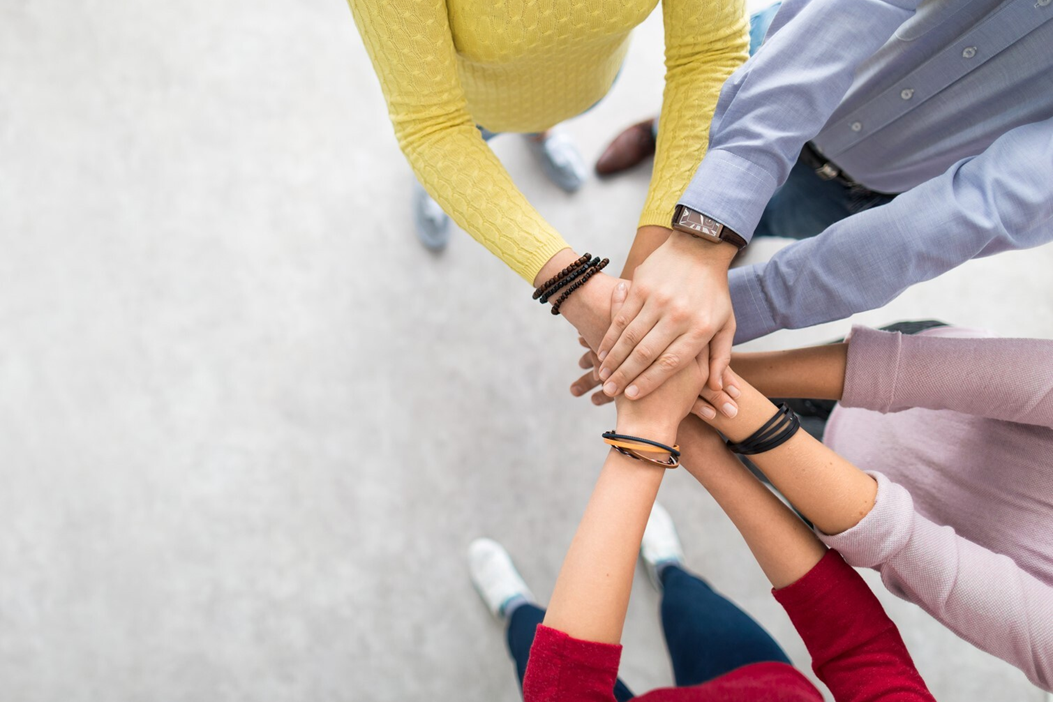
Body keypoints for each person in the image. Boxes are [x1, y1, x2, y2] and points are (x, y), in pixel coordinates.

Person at [468, 283, 936, 700]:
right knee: (687, 596)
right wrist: (704, 451)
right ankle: (668, 567)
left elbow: (560, 690)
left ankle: (514, 605)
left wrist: (648, 432)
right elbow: (859, 650)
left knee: (530, 641)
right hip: (763, 687)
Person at [587, 0, 1053, 407]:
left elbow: (985, 206)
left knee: (771, 219)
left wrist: (737, 301)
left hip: (869, 184)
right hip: (785, 63)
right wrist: (707, 233)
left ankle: (736, 237)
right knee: (696, 116)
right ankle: (657, 132)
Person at [681, 323, 1053, 691]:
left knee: (716, 430)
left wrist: (698, 385)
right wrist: (708, 372)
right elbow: (960, 373)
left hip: (844, 497)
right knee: (713, 400)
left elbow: (905, 544)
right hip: (909, 375)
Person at [346, 0, 748, 265]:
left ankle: (540, 132)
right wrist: (566, 278)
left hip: (587, 82)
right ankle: (436, 185)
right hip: (473, 110)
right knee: (456, 153)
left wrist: (652, 251)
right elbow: (432, 124)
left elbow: (708, 54)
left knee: (544, 111)